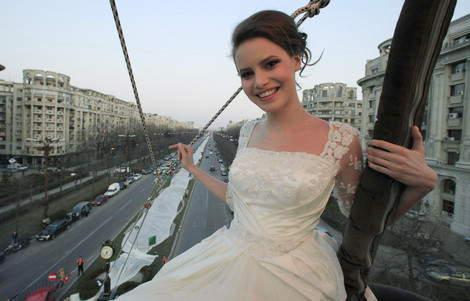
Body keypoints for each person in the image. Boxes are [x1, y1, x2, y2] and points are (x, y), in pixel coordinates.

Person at [117, 10, 437, 300]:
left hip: (296, 276)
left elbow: (363, 221)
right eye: (247, 73)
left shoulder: (340, 139)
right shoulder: (248, 133)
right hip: (226, 256)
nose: (260, 82)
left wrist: (422, 185)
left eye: (270, 64)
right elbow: (238, 201)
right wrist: (192, 168)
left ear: (297, 59)